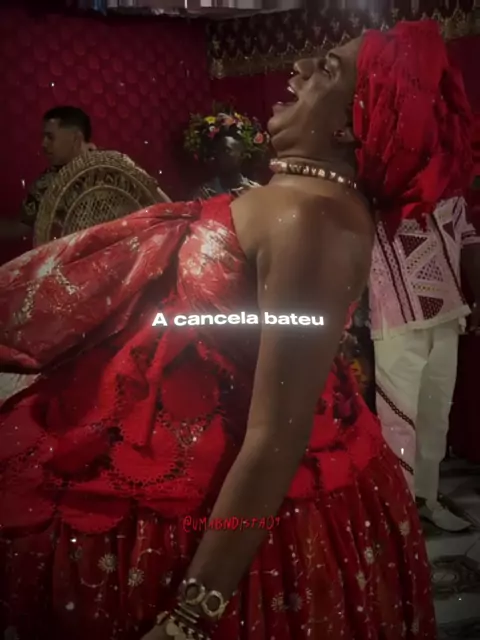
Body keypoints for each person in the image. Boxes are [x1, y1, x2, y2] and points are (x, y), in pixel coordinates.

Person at [1, 20, 466, 640]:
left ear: (350, 125)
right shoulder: (300, 199)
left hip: (229, 488)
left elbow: (277, 434)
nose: (299, 67)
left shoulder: (312, 218)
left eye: (327, 69)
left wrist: (192, 616)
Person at [371, 167, 480, 531]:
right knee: (398, 419)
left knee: (436, 416)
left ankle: (426, 498)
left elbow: (469, 241)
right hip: (395, 317)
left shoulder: (450, 192)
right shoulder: (376, 190)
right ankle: (398, 508)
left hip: (448, 313)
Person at [0, 106, 94, 240]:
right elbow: (20, 226)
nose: (43, 144)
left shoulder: (113, 169)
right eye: (44, 137)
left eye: (50, 137)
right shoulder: (45, 184)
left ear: (76, 139)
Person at [195, 130, 260, 198]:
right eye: (218, 151)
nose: (220, 155)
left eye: (226, 150)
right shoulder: (205, 193)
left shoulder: (255, 192)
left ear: (242, 155)